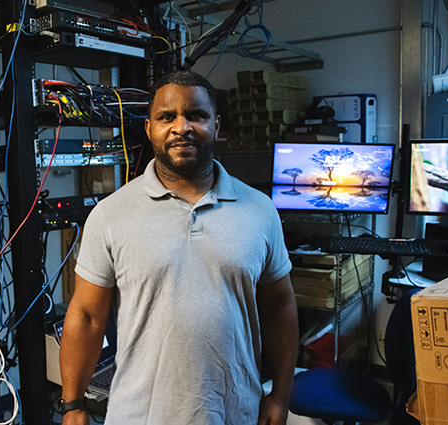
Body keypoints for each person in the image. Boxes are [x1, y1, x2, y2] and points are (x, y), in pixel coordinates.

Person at [59, 71, 298, 425]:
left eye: (196, 116)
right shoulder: (111, 214)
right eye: (166, 116)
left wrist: (279, 397)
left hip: (233, 412)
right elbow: (87, 317)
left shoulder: (260, 210)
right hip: (139, 415)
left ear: (216, 126)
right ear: (149, 128)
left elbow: (280, 306)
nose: (181, 127)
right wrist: (73, 405)